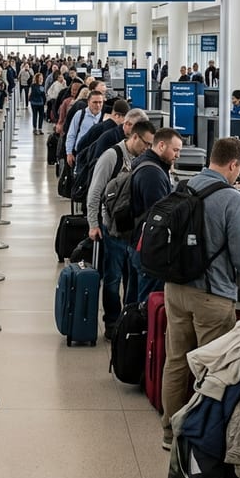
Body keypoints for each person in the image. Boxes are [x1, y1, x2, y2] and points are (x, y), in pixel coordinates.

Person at [161, 137, 240, 449]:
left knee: (176, 361)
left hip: (175, 289)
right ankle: (200, 439)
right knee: (213, 368)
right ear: (233, 164)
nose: (239, 175)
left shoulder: (183, 186)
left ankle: (170, 432)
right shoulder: (232, 199)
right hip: (211, 296)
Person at [86, 121, 156, 337]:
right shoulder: (112, 156)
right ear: (134, 137)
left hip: (132, 232)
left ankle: (127, 322)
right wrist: (93, 223)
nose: (147, 148)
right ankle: (112, 322)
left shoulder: (144, 159)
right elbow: (95, 191)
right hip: (112, 230)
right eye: (146, 143)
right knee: (113, 277)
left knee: (131, 278)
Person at [128, 128, 183, 303]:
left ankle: (130, 320)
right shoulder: (153, 175)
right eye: (175, 150)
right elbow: (158, 218)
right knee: (147, 303)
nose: (178, 155)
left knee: (133, 299)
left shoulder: (145, 163)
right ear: (161, 145)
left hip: (137, 243)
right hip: (148, 249)